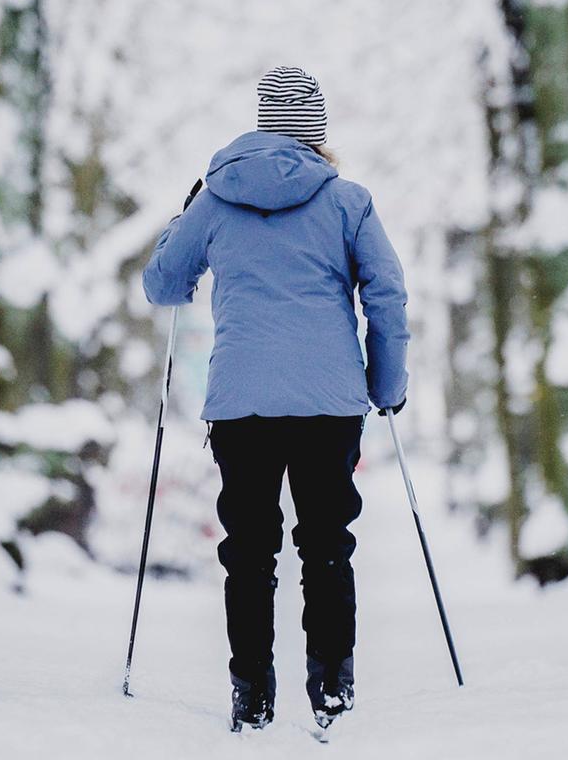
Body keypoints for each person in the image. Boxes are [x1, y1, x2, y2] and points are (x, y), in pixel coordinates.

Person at [141, 66, 409, 733]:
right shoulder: (348, 202)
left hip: (242, 402)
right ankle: (332, 691)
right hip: (328, 403)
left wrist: (179, 225)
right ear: (316, 131)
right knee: (326, 544)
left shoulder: (215, 200)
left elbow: (164, 285)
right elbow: (386, 295)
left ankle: (252, 694)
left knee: (249, 549)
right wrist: (386, 386)